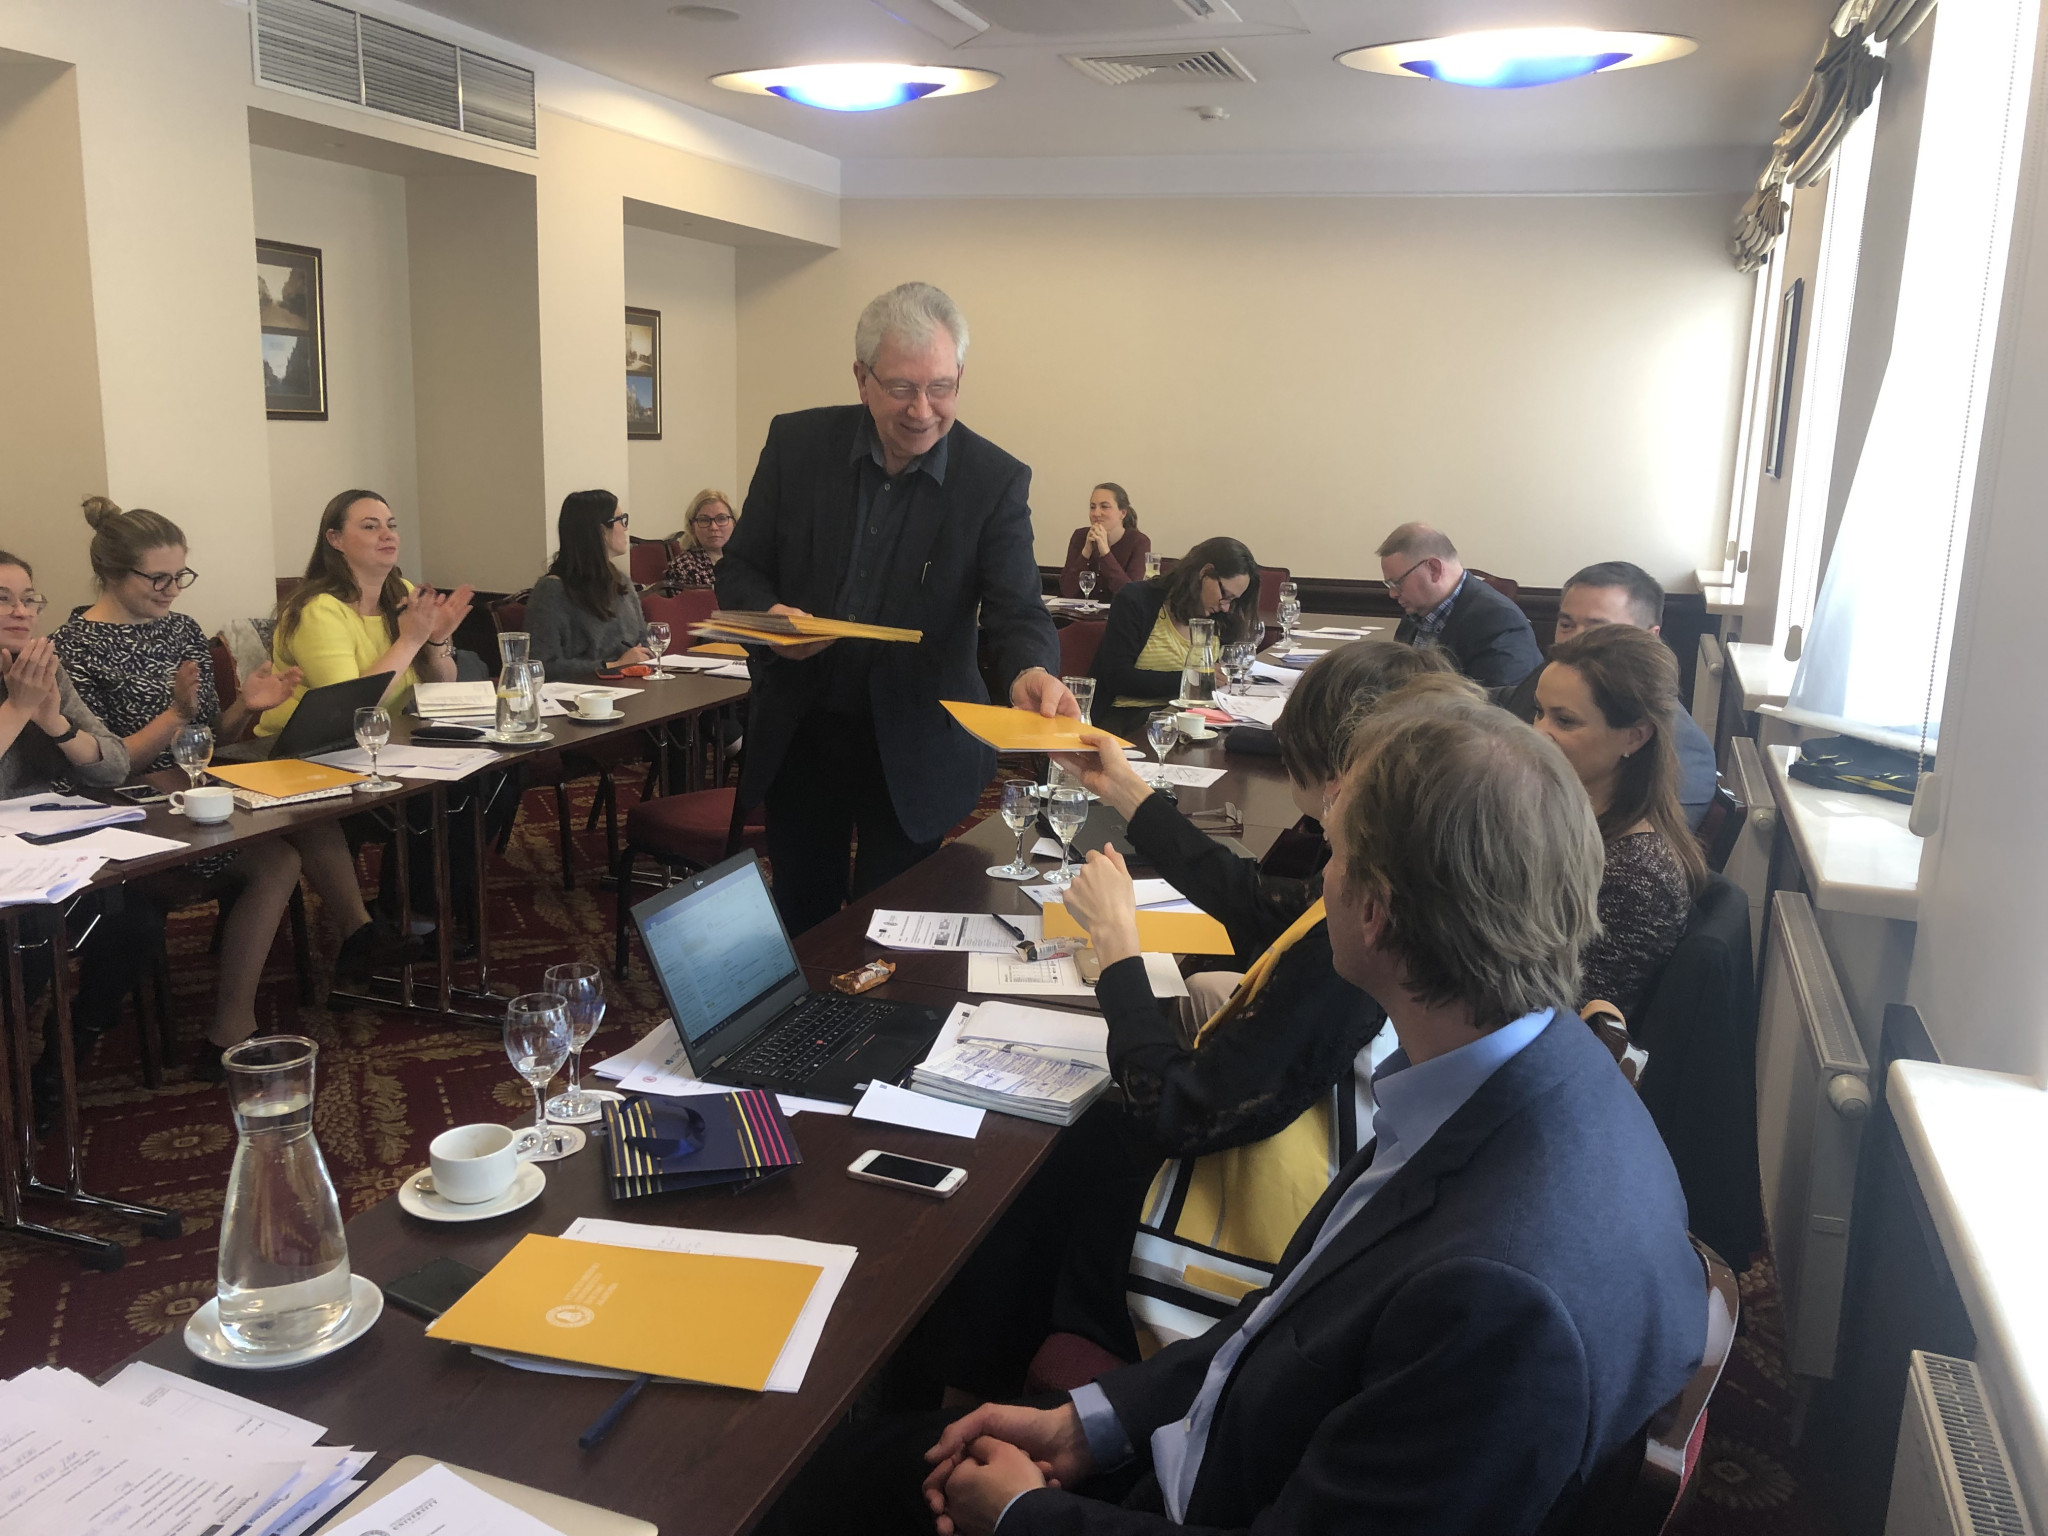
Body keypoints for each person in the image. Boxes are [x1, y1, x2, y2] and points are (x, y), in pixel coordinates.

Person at [768, 690, 1706, 1536]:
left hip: (1203, 1498)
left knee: (803, 1490)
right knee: (858, 1463)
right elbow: (1289, 1325)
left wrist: (1024, 1515)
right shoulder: (1539, 1075)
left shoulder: (1497, 1302)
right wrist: (1093, 1421)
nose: (1319, 881)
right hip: (1213, 1446)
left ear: (1375, 913)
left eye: (1336, 855)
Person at [899, 645, 1459, 1399]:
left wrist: (1118, 951)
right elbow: (1258, 902)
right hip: (1317, 1208)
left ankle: (958, 1393)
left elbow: (1172, 1109)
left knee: (1036, 1167)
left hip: (1240, 1272)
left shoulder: (1356, 945)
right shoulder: (1415, 890)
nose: (1321, 854)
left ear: (1345, 781)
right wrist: (1125, 789)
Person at [715, 281, 1071, 934]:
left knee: (894, 930)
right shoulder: (797, 444)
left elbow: (1017, 609)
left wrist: (1030, 671)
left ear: (960, 378)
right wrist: (771, 620)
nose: (922, 410)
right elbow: (739, 569)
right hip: (802, 729)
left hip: (915, 742)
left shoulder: (993, 480)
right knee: (803, 918)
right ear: (862, 378)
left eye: (941, 388)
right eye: (902, 388)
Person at [52, 499, 397, 1066]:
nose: (172, 590)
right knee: (277, 858)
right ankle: (237, 1022)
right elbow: (103, 767)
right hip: (128, 808)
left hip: (196, 788)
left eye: (180, 576)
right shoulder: (74, 647)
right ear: (112, 573)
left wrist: (247, 707)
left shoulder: (182, 630)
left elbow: (211, 738)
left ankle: (336, 953)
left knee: (307, 809)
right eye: (158, 578)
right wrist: (176, 715)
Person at [0, 548, 163, 1121]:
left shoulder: (43, 666)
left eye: (29, 599)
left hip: (52, 843)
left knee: (137, 922)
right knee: (29, 944)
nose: (21, 612)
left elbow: (113, 765)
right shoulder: (25, 681)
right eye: (2, 599)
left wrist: (54, 720)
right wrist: (18, 707)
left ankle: (63, 1055)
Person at [1532, 623, 1708, 1018]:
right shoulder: (1569, 819)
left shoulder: (1636, 876)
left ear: (1634, 737)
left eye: (1565, 721)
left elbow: (1572, 1013)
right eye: (1539, 712)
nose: (1538, 733)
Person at [1496, 560, 1718, 830]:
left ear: (1650, 636)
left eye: (1598, 629)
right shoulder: (1557, 675)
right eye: (1566, 624)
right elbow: (1505, 699)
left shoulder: (1685, 756)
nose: (1573, 640)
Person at [260, 489, 473, 733]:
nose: (387, 535)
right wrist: (410, 641)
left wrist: (435, 642)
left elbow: (442, 684)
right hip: (301, 746)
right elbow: (350, 710)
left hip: (379, 738)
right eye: (370, 527)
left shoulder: (402, 592)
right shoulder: (318, 610)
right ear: (335, 539)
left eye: (391, 526)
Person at [1092, 537, 1261, 710]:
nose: (1225, 607)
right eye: (1225, 595)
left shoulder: (1223, 618)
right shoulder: (1136, 600)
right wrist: (1193, 679)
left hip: (1197, 714)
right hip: (1132, 715)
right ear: (1205, 572)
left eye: (1233, 600)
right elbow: (1117, 678)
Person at [1379, 521, 1542, 688]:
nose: (1393, 593)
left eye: (1397, 583)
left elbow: (1496, 702)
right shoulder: (1416, 612)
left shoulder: (1499, 621)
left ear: (1434, 569)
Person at [525, 490, 651, 675]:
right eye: (621, 520)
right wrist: (612, 666)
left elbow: (643, 641)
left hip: (632, 681)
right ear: (601, 531)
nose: (625, 528)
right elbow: (542, 664)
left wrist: (642, 657)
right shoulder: (551, 590)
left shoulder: (621, 580)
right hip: (586, 689)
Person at [1058, 484, 1150, 599]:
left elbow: (1131, 595)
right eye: (1092, 507)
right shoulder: (1079, 536)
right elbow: (1067, 591)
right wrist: (1086, 551)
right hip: (1081, 609)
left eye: (1104, 507)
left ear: (1122, 513)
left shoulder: (1139, 542)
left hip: (1117, 610)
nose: (1096, 513)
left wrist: (1105, 553)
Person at [664, 488, 736, 590]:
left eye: (721, 518)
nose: (714, 527)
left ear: (734, 523)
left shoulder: (746, 561)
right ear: (692, 527)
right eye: (704, 520)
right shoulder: (684, 566)